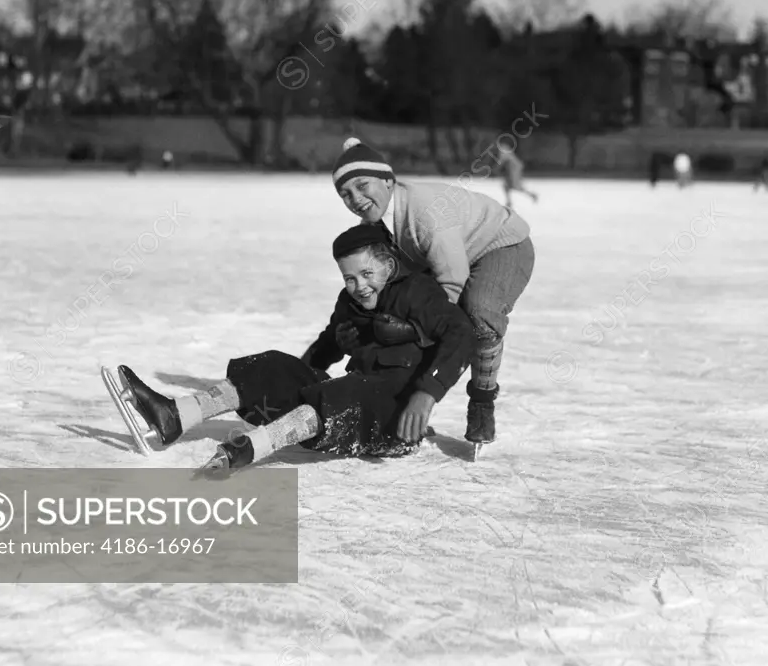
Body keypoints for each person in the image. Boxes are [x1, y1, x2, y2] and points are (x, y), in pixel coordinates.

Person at [109, 223, 476, 473]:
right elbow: (324, 349)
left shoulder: (418, 293)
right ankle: (176, 416)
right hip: (351, 403)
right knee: (273, 365)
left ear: (388, 265)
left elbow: (463, 334)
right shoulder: (349, 303)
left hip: (394, 422)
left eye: (367, 274)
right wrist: (295, 378)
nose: (359, 286)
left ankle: (248, 450)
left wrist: (426, 395)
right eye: (349, 278)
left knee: (348, 390)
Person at [331, 138, 535, 447]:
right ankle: (392, 403)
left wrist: (417, 331)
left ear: (387, 181)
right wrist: (354, 329)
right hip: (449, 255)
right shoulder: (374, 231)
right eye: (346, 193)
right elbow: (380, 291)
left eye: (362, 186)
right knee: (396, 318)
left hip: (501, 243)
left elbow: (451, 282)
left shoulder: (426, 214)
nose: (356, 198)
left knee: (477, 313)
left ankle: (482, 400)